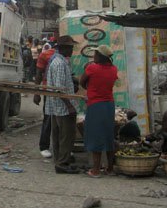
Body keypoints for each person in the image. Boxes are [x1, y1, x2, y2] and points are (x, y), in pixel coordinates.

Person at [80, 45, 118, 178]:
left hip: (96, 105)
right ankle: (110, 168)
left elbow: (82, 82)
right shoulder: (113, 69)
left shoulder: (92, 68)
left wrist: (90, 89)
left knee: (96, 135)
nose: (93, 56)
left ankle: (96, 169)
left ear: (100, 56)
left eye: (95, 54)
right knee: (108, 135)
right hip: (109, 105)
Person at [45, 35, 81, 174]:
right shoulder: (59, 63)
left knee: (58, 134)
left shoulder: (58, 61)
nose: (72, 50)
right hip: (63, 107)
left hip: (56, 106)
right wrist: (70, 105)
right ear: (64, 48)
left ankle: (60, 159)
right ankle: (62, 163)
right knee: (66, 135)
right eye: (70, 47)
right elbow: (60, 89)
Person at [33, 42, 56, 158]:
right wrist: (37, 93)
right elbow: (38, 74)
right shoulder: (45, 55)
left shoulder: (69, 56)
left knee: (61, 120)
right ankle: (44, 146)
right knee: (48, 119)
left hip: (62, 92)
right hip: (48, 91)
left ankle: (59, 147)